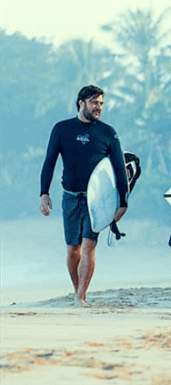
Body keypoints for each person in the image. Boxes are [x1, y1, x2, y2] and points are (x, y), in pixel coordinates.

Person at [39, 85, 129, 307]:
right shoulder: (62, 129)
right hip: (70, 196)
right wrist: (44, 193)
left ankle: (81, 296)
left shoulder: (108, 133)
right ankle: (76, 288)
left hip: (97, 199)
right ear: (81, 103)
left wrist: (123, 201)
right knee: (73, 249)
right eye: (94, 102)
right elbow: (49, 162)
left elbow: (119, 169)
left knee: (89, 245)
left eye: (101, 103)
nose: (98, 107)